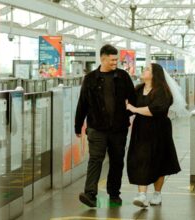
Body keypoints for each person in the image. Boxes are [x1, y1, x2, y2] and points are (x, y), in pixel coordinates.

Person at [75, 44, 136, 207]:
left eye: (116, 59)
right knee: (95, 159)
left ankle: (114, 193)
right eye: (112, 60)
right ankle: (90, 194)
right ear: (103, 59)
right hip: (97, 128)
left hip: (118, 129)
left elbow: (134, 99)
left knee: (117, 161)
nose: (115, 62)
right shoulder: (90, 79)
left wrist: (127, 114)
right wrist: (78, 125)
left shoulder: (123, 77)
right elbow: (83, 103)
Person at [126, 63, 181, 208]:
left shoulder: (163, 91)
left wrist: (134, 109)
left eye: (147, 69)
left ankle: (157, 194)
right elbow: (128, 107)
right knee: (140, 159)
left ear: (155, 74)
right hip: (141, 129)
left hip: (159, 130)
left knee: (159, 160)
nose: (144, 70)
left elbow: (155, 110)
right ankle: (142, 195)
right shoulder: (137, 90)